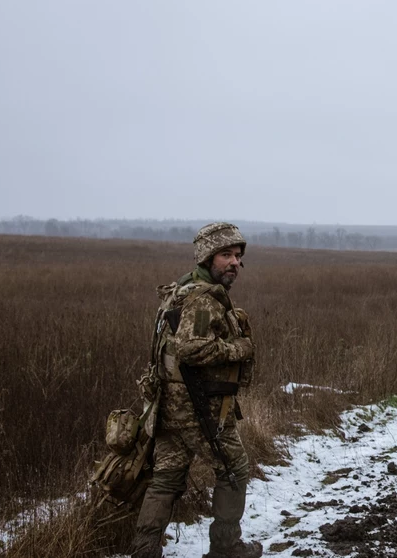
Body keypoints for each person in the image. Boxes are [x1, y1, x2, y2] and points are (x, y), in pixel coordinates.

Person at [131, 222, 261, 558]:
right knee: (234, 470)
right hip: (197, 406)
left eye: (237, 256)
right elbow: (191, 349)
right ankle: (226, 547)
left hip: (168, 405)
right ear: (206, 257)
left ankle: (144, 550)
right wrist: (240, 349)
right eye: (226, 255)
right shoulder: (203, 299)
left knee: (167, 476)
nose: (235, 263)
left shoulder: (181, 290)